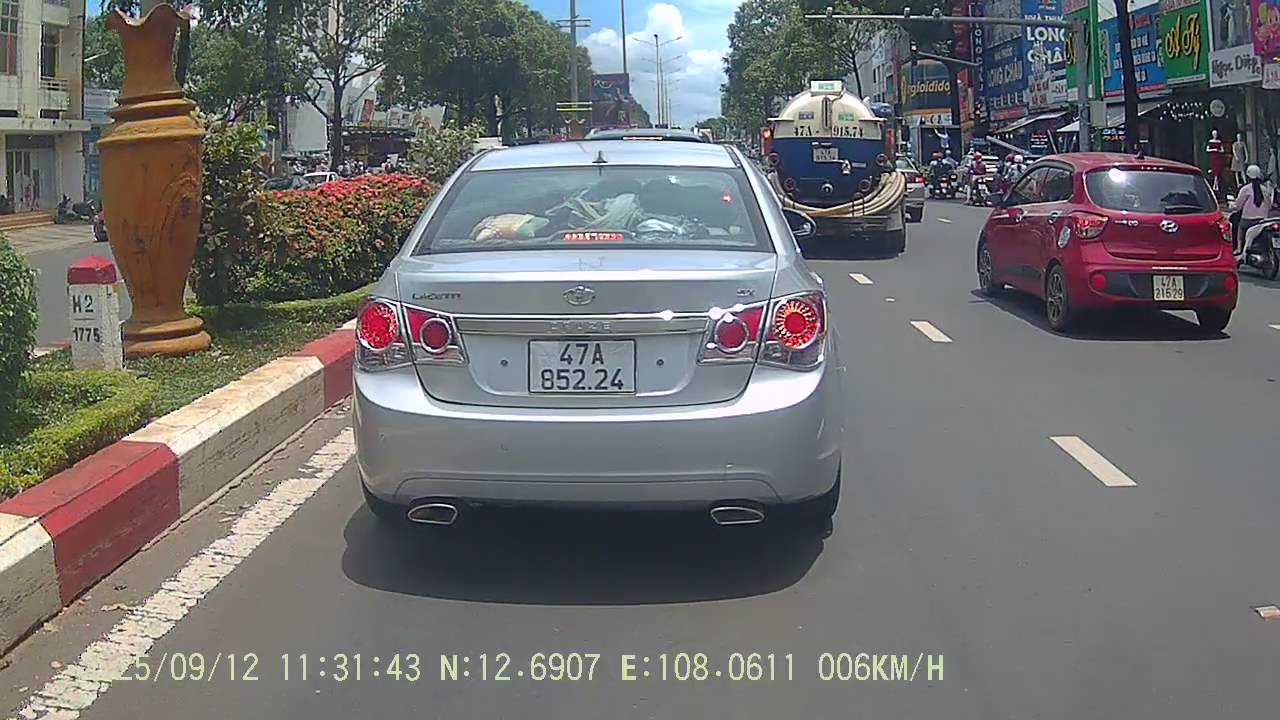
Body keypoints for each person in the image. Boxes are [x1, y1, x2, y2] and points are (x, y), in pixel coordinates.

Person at [1230, 164, 1272, 256]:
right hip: (1263, 220)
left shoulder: (1245, 189)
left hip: (1248, 220)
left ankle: (1239, 248)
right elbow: (1269, 205)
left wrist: (1231, 206)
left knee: (1240, 227)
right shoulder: (1265, 189)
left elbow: (1238, 206)